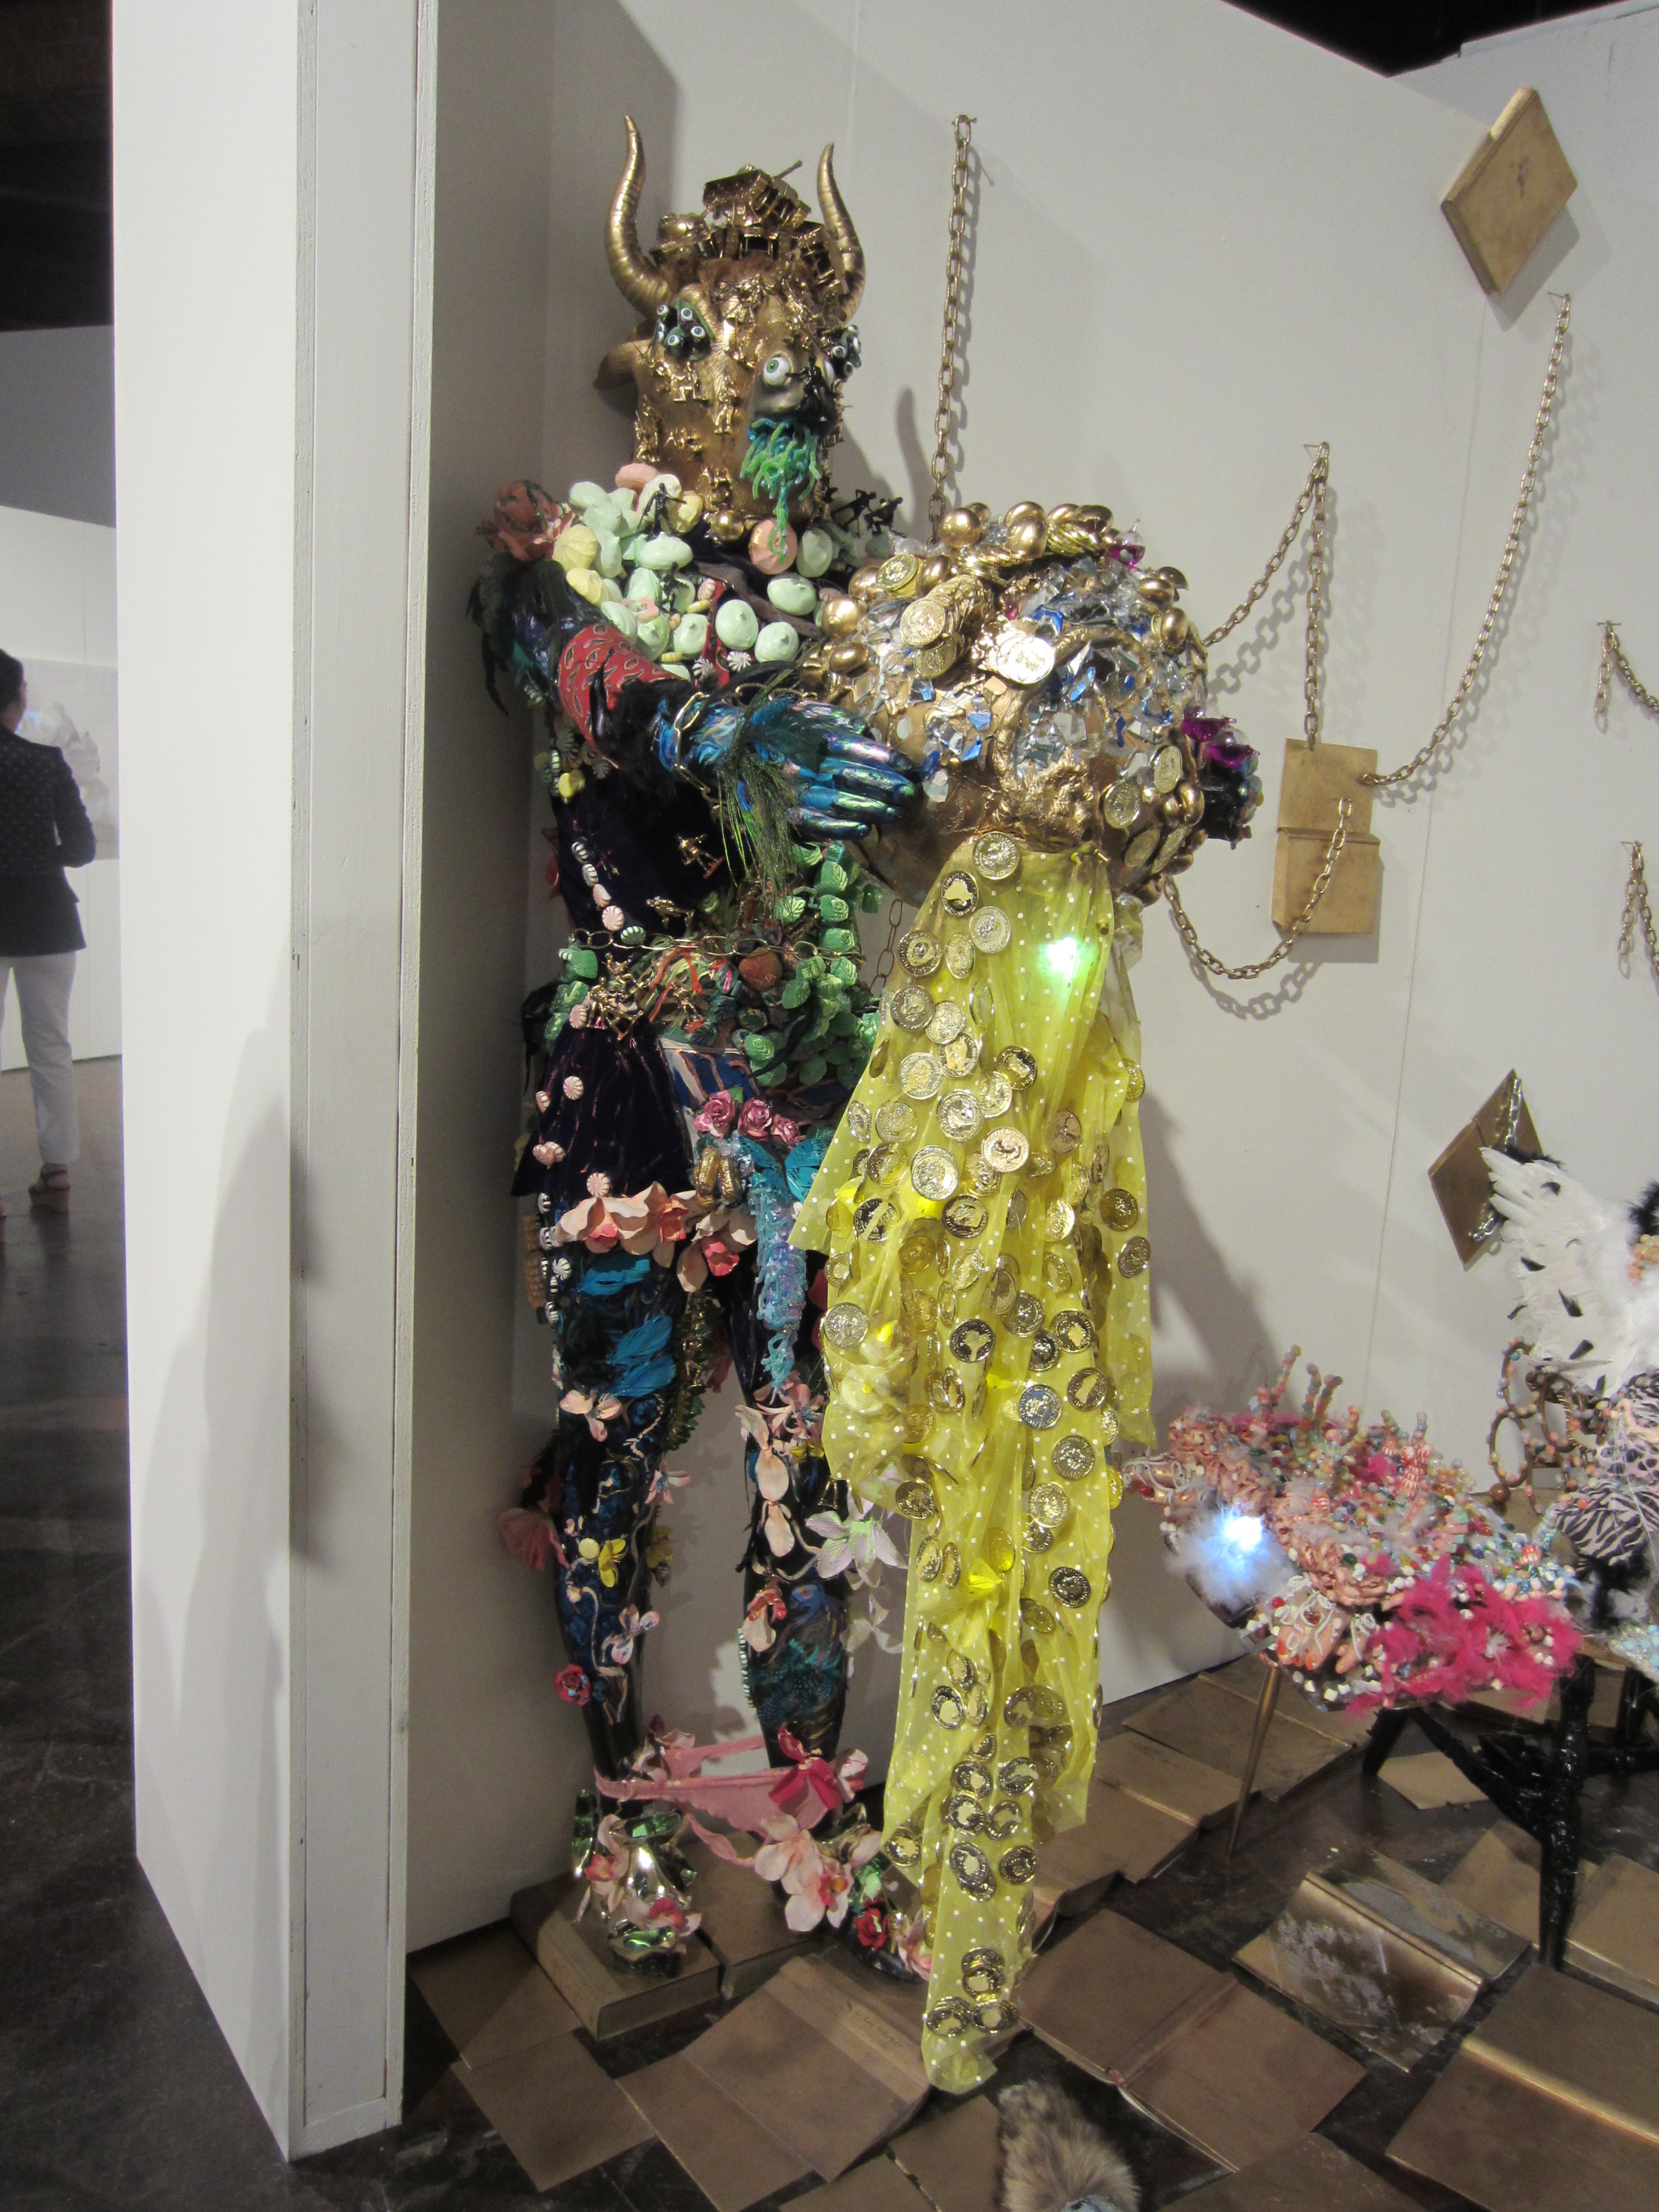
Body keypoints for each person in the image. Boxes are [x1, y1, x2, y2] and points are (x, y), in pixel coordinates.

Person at [0, 649, 95, 1218]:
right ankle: (57, 1168)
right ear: (19, 697)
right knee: (51, 1047)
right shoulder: (46, 762)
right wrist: (39, 855)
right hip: (48, 917)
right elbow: (82, 848)